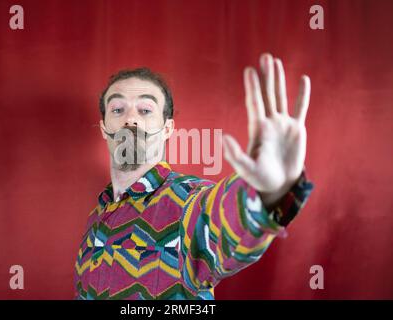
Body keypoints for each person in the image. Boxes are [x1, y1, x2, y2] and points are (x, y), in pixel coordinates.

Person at [74, 53, 314, 300]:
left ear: (167, 129)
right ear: (105, 128)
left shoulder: (187, 199)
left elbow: (221, 223)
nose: (131, 119)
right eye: (117, 109)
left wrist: (266, 194)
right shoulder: (97, 216)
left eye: (145, 110)